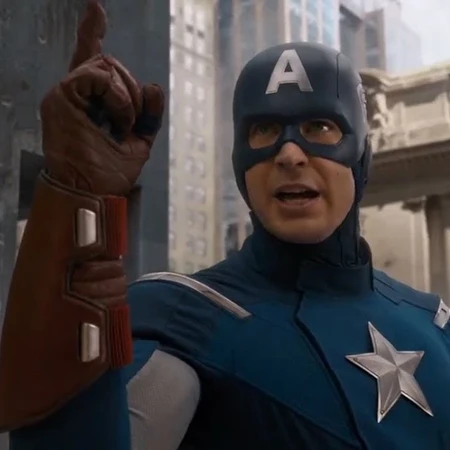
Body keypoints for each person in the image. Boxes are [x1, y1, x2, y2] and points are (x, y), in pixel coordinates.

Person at [1, 2, 450, 449]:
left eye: (319, 127)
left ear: (361, 157)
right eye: (264, 130)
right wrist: (72, 211)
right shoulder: (185, 317)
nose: (289, 154)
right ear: (240, 164)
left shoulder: (433, 321)